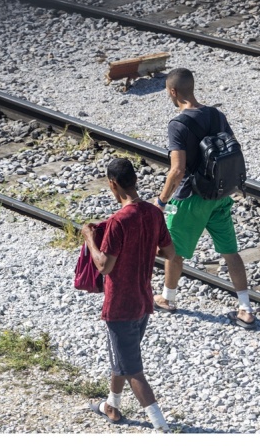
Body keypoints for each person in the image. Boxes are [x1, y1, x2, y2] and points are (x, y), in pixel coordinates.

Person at [153, 67, 256, 330]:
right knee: (230, 252)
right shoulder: (216, 115)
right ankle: (245, 309)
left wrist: (161, 201)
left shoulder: (178, 124)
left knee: (174, 252)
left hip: (191, 199)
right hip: (220, 195)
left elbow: (177, 170)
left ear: (173, 91)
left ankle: (167, 298)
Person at [81, 158, 175, 431]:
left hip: (120, 306)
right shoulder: (154, 213)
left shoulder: (118, 221)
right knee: (122, 357)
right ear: (134, 180)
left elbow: (104, 266)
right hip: (144, 301)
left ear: (113, 184)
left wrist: (89, 238)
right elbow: (169, 253)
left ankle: (162, 427)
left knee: (133, 370)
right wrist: (144, 245)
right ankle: (112, 406)